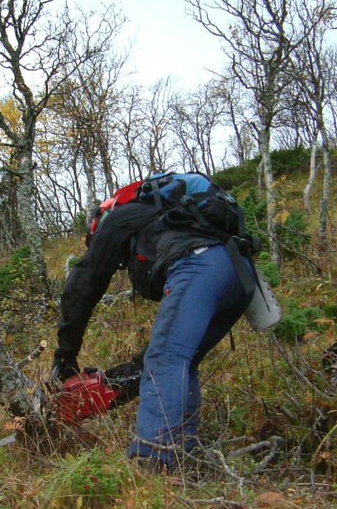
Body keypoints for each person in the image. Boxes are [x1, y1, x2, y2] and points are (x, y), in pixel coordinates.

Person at [50, 177, 256, 470]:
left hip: (199, 267)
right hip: (239, 277)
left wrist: (65, 355)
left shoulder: (119, 218)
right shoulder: (170, 218)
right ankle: (184, 454)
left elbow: (84, 285)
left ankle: (153, 464)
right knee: (184, 361)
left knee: (164, 360)